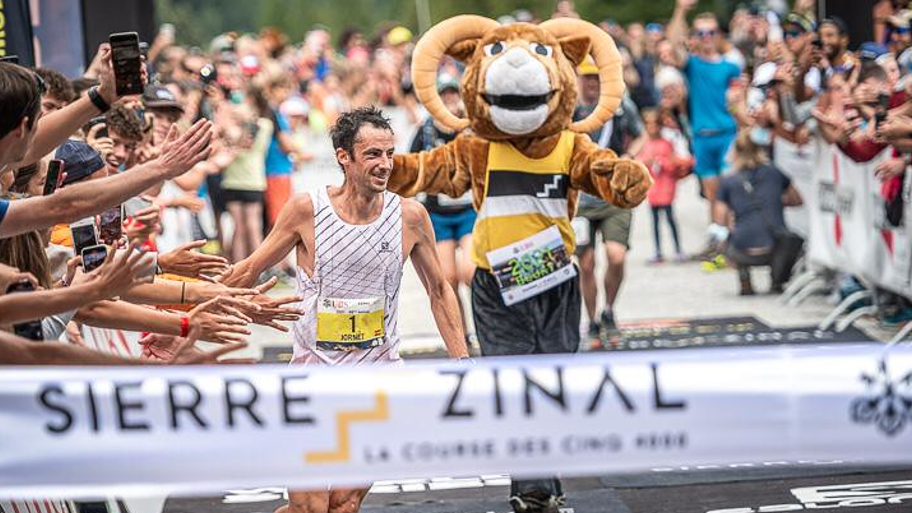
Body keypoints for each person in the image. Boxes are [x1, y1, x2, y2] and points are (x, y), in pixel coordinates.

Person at [221, 106, 468, 513]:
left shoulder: (409, 215)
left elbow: (440, 290)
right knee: (309, 508)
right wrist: (183, 318)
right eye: (372, 154)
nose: (385, 164)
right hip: (312, 375)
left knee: (344, 505)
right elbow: (248, 268)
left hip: (378, 377)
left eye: (389, 154)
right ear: (344, 157)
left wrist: (462, 363)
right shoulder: (307, 210)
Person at [573, 58, 646, 345]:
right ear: (579, 78)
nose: (592, 83)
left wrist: (628, 157)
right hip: (580, 197)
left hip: (614, 193)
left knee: (617, 255)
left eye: (597, 78)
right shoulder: (570, 110)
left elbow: (640, 135)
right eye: (587, 78)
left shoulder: (618, 105)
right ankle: (590, 320)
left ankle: (609, 310)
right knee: (586, 263)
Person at [668, 0, 743, 256]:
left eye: (711, 32)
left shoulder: (731, 66)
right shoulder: (692, 65)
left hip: (727, 135)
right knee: (712, 196)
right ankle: (718, 246)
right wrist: (681, 10)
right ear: (695, 38)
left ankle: (734, 244)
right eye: (700, 33)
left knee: (729, 192)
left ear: (718, 35)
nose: (706, 37)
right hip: (702, 137)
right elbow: (673, 42)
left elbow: (740, 101)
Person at [409, 75, 476, 339]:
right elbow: (411, 167)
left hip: (468, 209)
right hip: (438, 213)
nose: (449, 100)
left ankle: (485, 325)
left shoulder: (470, 129)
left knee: (471, 273)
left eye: (453, 95)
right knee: (448, 279)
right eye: (444, 96)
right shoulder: (424, 131)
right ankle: (463, 333)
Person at [715, 130, 803, 295]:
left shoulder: (728, 181)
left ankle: (744, 277)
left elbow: (719, 219)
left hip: (741, 250)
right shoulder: (775, 173)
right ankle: (777, 279)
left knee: (726, 236)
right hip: (774, 247)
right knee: (790, 239)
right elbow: (797, 200)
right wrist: (775, 201)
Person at [638, 108, 691, 264]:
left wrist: (663, 162)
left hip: (666, 189)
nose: (651, 128)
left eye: (654, 124)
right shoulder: (645, 145)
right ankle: (658, 251)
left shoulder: (667, 144)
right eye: (648, 125)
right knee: (654, 223)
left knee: (670, 220)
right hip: (652, 190)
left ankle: (678, 249)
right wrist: (647, 163)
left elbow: (674, 164)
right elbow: (640, 163)